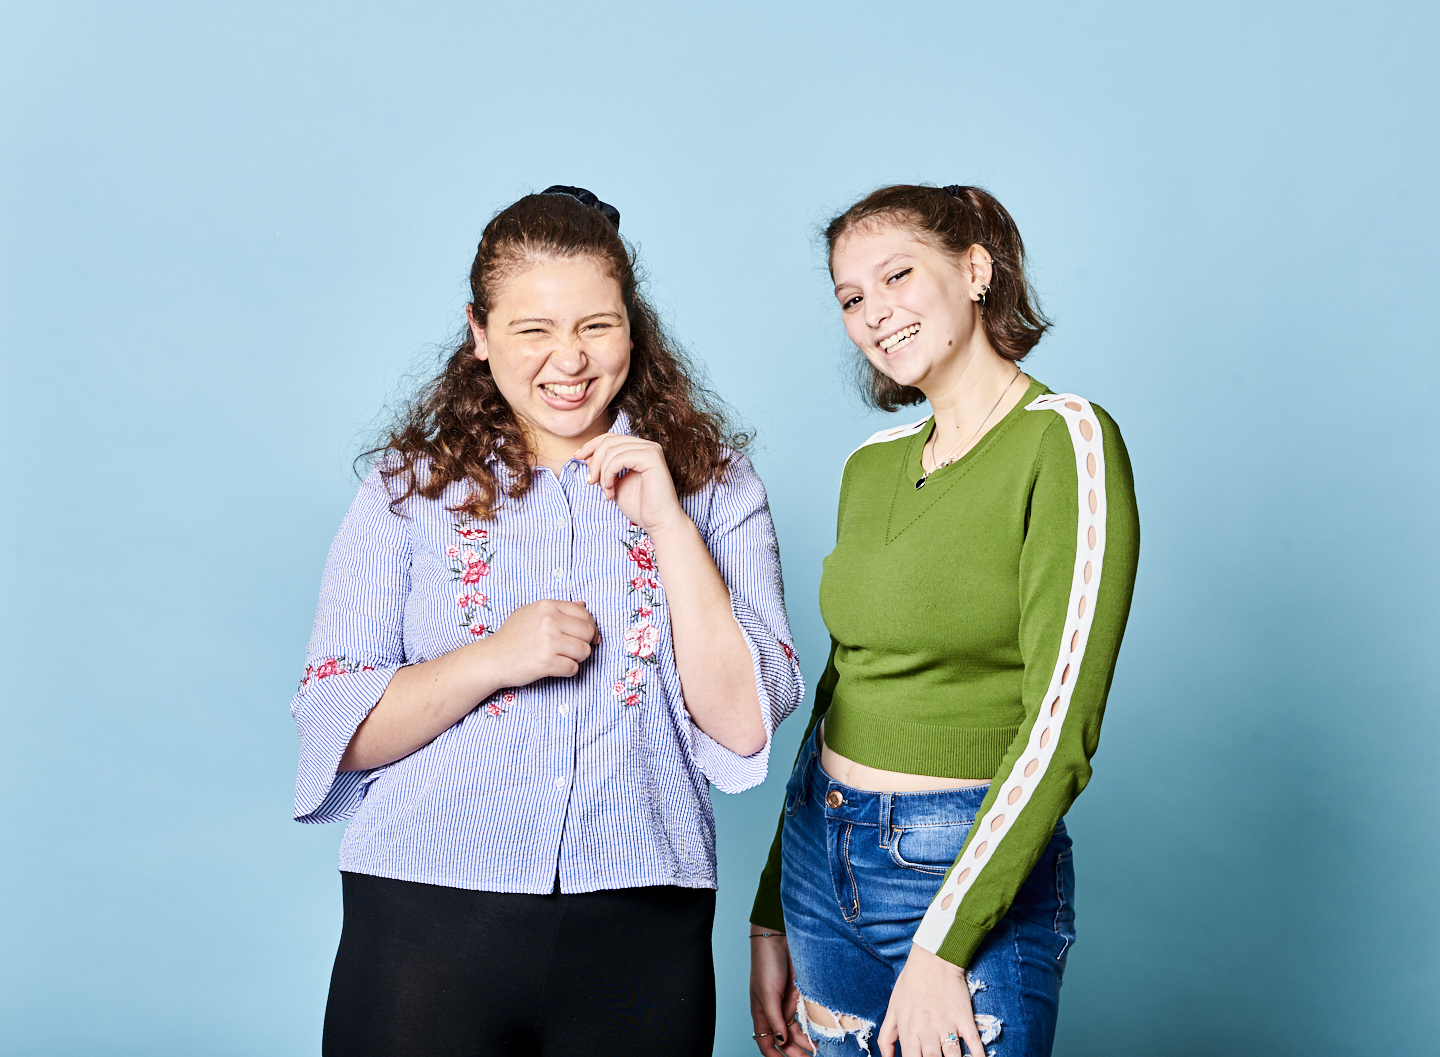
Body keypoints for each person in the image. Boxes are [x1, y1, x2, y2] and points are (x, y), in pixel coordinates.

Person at [290, 185, 804, 1057]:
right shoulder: (405, 492)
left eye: (596, 325)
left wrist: (670, 526)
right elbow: (338, 726)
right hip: (423, 914)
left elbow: (745, 719)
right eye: (533, 329)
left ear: (632, 327)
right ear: (480, 333)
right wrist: (494, 656)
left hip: (643, 922)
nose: (568, 360)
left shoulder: (717, 486)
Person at [748, 185, 1140, 1057]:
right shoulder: (871, 464)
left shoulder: (1063, 439)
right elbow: (842, 688)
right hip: (822, 854)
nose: (874, 312)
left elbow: (1061, 724)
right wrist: (771, 907)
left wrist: (943, 943)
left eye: (896, 276)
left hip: (958, 868)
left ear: (974, 270)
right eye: (852, 297)